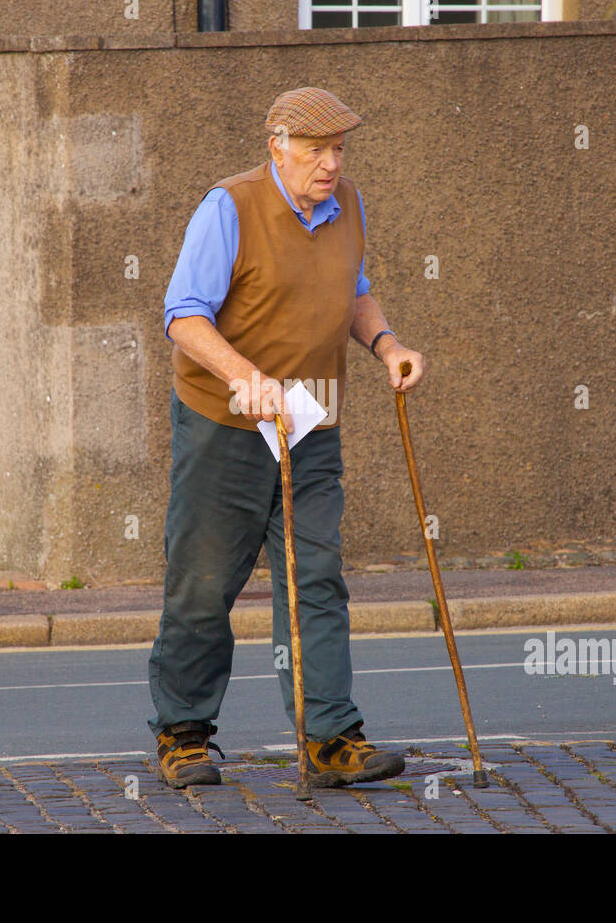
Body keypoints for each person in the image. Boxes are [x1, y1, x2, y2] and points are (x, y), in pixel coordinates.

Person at [149, 86, 425, 789]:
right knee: (204, 581)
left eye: (338, 149)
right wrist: (246, 375)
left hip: (313, 417)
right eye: (316, 149)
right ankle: (184, 735)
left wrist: (387, 343)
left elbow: (353, 290)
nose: (330, 163)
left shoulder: (348, 205)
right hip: (226, 419)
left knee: (316, 579)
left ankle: (330, 739)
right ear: (278, 144)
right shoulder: (230, 207)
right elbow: (183, 315)